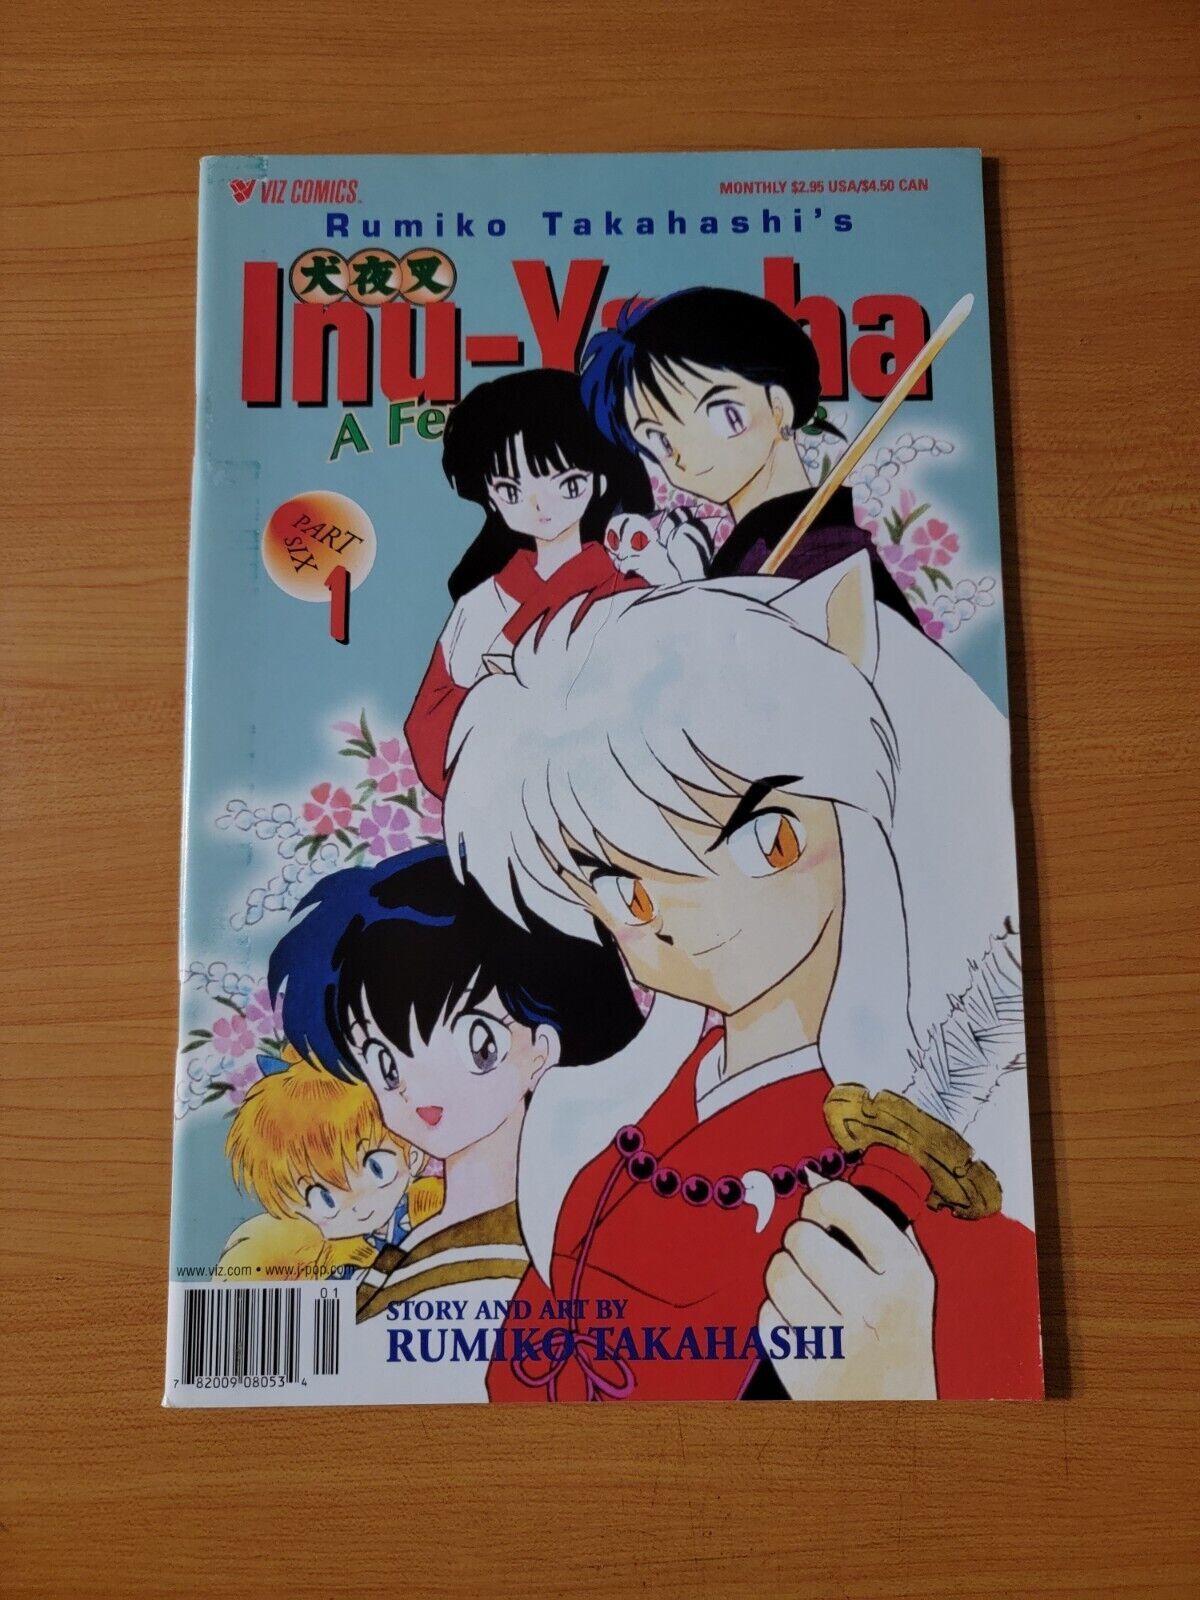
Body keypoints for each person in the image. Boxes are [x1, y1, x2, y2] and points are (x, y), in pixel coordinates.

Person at [443, 563, 1041, 1402]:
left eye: (763, 839)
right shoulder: (606, 1137)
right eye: (625, 890)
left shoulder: (916, 1177)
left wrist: (897, 1379)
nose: (688, 916)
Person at [266, 844, 647, 1348]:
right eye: (385, 1063)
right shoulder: (423, 1232)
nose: (417, 1089)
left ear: (543, 1048)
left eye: (477, 1043)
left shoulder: (552, 1235)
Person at [580, 286, 921, 619]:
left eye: (721, 413)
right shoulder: (747, 554)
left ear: (779, 408)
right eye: (660, 440)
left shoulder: (827, 557)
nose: (686, 452)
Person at [403, 368, 652, 797]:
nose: (540, 505)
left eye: (567, 483)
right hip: (503, 805)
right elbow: (429, 725)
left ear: (598, 479)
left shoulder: (629, 592)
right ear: (491, 497)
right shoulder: (480, 605)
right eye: (512, 490)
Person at [217, 1055, 439, 1281]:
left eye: (377, 1168)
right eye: (325, 1199)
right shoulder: (333, 1266)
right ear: (293, 1209)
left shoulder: (437, 1209)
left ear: (412, 1153)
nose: (358, 1204)